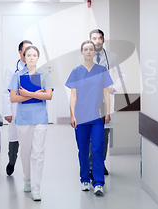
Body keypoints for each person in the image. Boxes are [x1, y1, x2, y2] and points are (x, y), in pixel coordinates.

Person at [66, 40, 113, 196]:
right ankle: (85, 179)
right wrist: (72, 114)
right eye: (85, 49)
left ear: (94, 52)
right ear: (81, 52)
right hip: (81, 115)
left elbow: (106, 92)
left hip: (98, 115)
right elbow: (73, 95)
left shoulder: (102, 70)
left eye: (91, 49)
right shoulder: (76, 72)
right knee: (83, 149)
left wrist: (108, 112)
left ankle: (98, 182)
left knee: (98, 148)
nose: (88, 52)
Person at [8, 45, 53, 202]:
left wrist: (27, 93)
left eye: (35, 55)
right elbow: (13, 98)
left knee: (38, 153)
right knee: (26, 151)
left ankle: (36, 188)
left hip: (40, 118)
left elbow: (48, 96)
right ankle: (27, 180)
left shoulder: (44, 75)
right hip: (23, 119)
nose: (32, 57)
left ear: (38, 58)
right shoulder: (18, 76)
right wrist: (33, 95)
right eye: (29, 55)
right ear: (24, 57)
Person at [85, 29, 126, 176]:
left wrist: (114, 88)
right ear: (90, 40)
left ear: (103, 40)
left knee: (104, 134)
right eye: (94, 38)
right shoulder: (84, 57)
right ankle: (90, 167)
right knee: (91, 135)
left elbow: (123, 75)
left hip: (105, 101)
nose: (97, 41)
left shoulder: (113, 57)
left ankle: (100, 165)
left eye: (99, 38)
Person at [3, 40, 32, 176]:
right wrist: (8, 112)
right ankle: (12, 162)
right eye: (26, 50)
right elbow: (5, 92)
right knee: (14, 138)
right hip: (16, 109)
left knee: (30, 140)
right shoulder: (11, 69)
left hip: (30, 110)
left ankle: (28, 169)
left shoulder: (35, 68)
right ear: (20, 52)